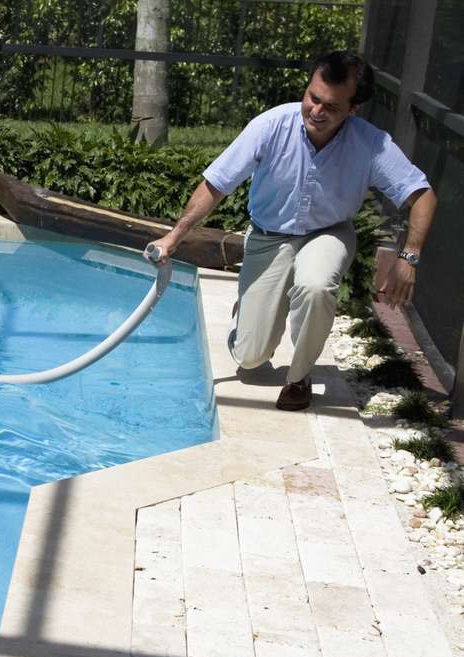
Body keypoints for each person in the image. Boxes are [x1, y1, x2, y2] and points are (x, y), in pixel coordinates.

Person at [146, 51, 437, 411]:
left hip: (328, 232)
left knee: (315, 286)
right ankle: (252, 311)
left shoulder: (371, 144)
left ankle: (299, 377)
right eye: (312, 98)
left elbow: (422, 196)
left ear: (352, 110)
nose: (316, 111)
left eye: (330, 106)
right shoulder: (270, 126)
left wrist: (409, 258)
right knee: (250, 360)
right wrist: (174, 236)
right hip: (269, 236)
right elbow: (216, 185)